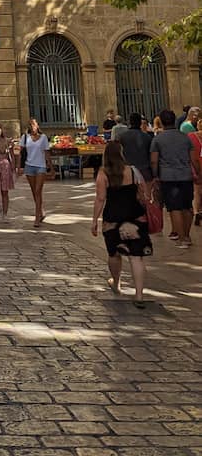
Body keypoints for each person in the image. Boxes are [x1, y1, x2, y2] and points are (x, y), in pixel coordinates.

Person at [91, 140, 152, 307]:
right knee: (136, 257)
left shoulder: (103, 173)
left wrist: (94, 220)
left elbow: (100, 198)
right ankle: (139, 295)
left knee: (114, 254)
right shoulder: (133, 170)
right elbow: (144, 193)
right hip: (135, 217)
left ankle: (116, 282)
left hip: (113, 219)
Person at [150, 108, 199, 249]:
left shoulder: (157, 139)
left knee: (174, 208)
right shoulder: (185, 137)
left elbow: (154, 160)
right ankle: (187, 236)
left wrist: (155, 176)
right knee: (187, 206)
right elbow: (194, 159)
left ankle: (181, 238)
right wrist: (198, 173)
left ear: (161, 122)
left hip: (168, 177)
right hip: (186, 176)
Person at [18, 117, 52, 229]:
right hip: (29, 166)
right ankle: (41, 210)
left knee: (38, 190)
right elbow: (21, 153)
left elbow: (47, 153)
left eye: (34, 124)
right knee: (34, 191)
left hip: (41, 166)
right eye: (30, 125)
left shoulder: (43, 138)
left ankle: (37, 217)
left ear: (37, 125)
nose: (32, 126)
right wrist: (18, 167)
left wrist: (51, 167)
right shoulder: (25, 137)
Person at [119, 113, 153, 183]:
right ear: (140, 122)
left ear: (129, 122)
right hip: (144, 170)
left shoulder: (122, 137)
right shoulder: (147, 137)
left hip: (128, 170)